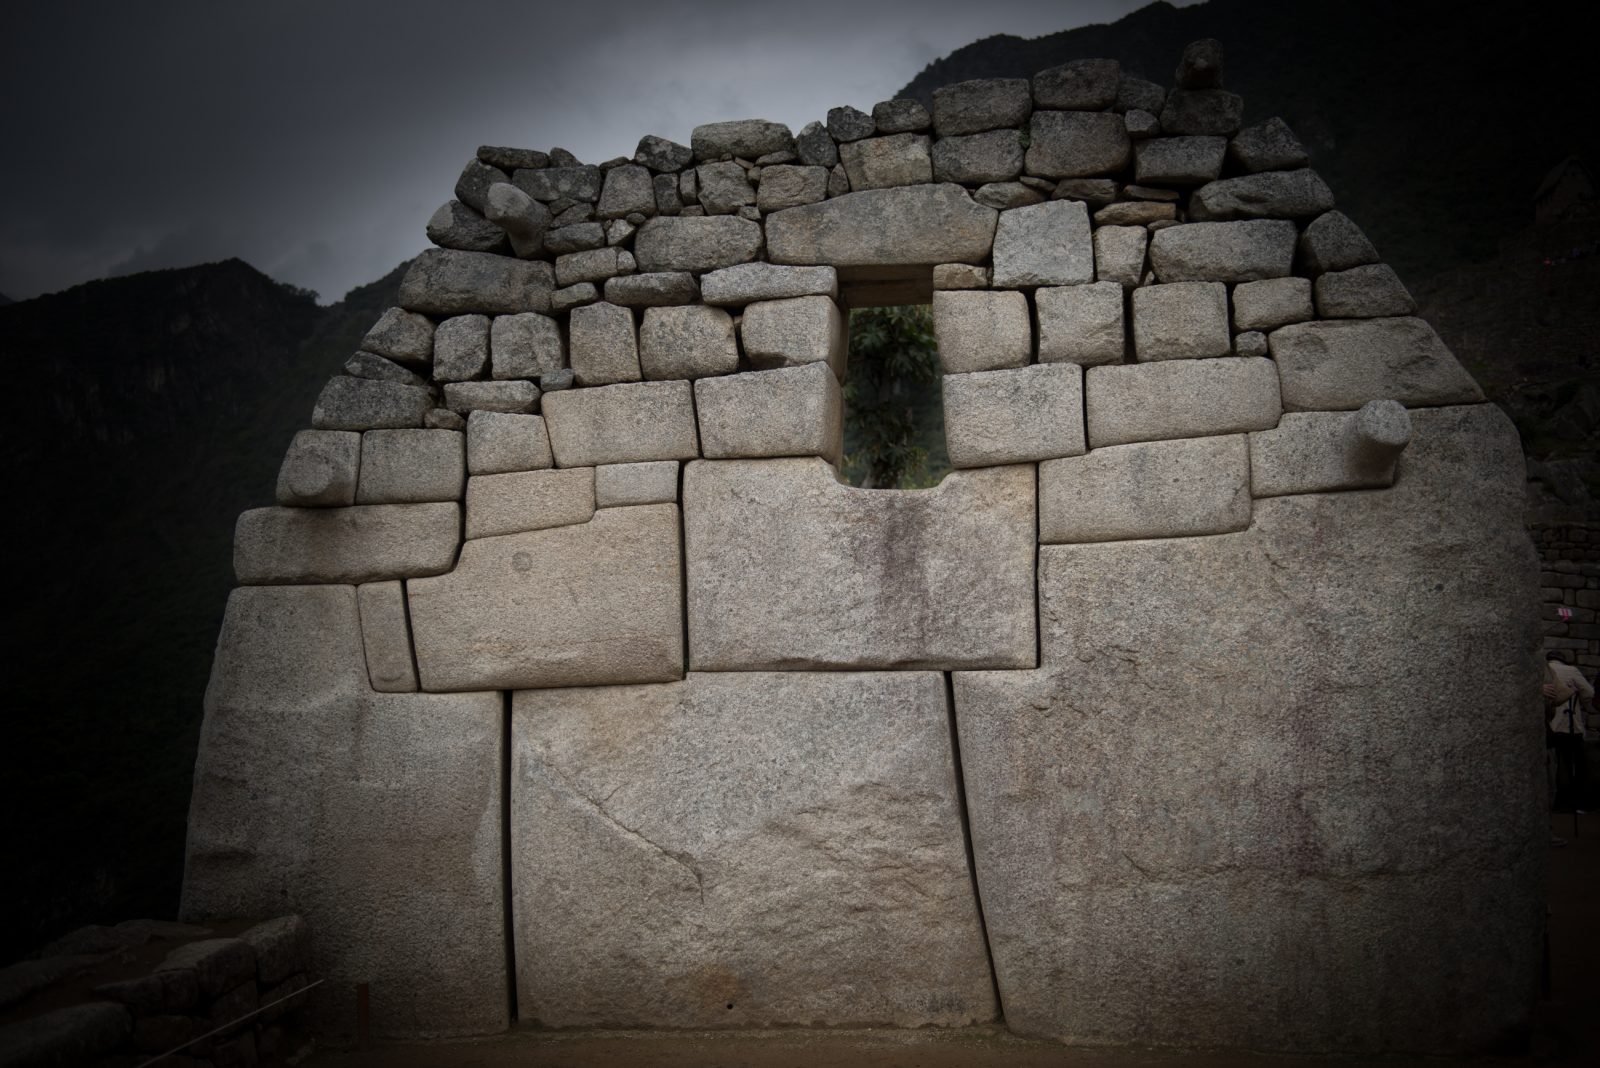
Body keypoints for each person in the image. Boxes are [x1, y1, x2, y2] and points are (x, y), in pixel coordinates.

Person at [1545, 650, 1596, 813]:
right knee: (1575, 766)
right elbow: (1589, 693)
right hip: (1569, 725)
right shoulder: (1571, 671)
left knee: (1552, 766)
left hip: (1549, 725)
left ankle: (1554, 803)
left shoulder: (1544, 670)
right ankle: (1578, 804)